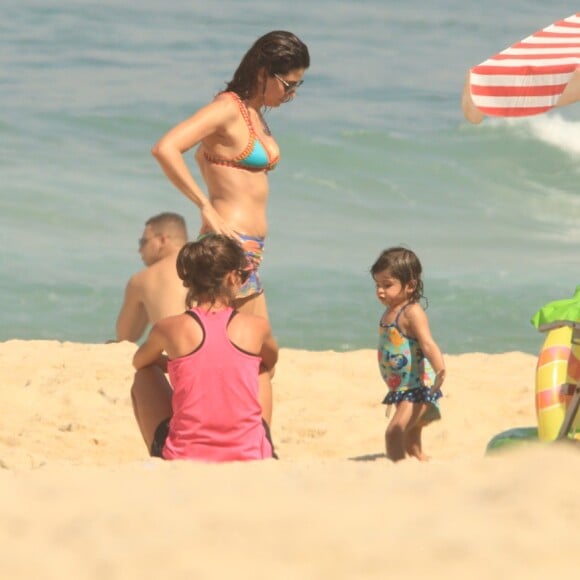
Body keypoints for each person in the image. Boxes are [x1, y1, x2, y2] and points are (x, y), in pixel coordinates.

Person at [151, 31, 310, 420]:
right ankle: (256, 443)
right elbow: (166, 147)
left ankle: (243, 438)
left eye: (298, 87)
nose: (291, 95)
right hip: (229, 247)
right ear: (263, 72)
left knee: (245, 352)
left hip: (249, 248)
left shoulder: (253, 114)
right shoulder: (226, 108)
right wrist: (205, 205)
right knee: (257, 356)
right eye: (288, 84)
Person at [131, 234, 279, 462]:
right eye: (244, 275)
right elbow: (271, 361)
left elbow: (139, 362)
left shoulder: (168, 327)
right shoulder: (257, 327)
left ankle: (161, 457)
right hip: (249, 456)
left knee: (144, 376)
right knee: (260, 370)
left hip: (185, 456)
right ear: (232, 278)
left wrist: (173, 364)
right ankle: (264, 448)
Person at [370, 247, 446, 462]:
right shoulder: (390, 310)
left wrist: (440, 368)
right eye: (377, 285)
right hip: (399, 385)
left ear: (410, 286)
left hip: (416, 386)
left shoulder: (411, 312)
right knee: (412, 432)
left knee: (395, 431)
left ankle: (397, 470)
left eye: (387, 285)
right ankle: (417, 456)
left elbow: (428, 343)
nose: (380, 291)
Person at [115, 212, 189, 343]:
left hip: (180, 356)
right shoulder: (209, 264)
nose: (140, 250)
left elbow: (125, 337)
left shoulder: (143, 279)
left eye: (143, 242)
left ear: (162, 240)